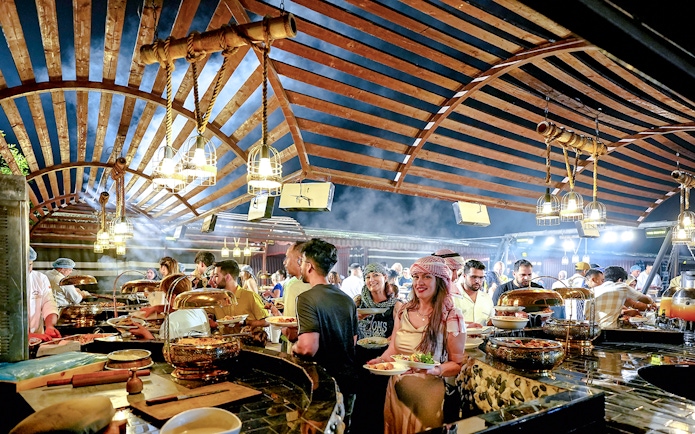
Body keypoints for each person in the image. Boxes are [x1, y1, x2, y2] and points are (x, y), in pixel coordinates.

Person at [369, 255, 466, 432]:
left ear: (440, 281)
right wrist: (381, 361)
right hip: (397, 391)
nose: (419, 282)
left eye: (427, 276)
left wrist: (435, 370)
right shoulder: (404, 310)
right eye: (416, 277)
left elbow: (457, 363)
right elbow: (393, 348)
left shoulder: (451, 315)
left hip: (428, 395)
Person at [291, 238, 359, 430]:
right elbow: (352, 341)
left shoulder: (306, 299)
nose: (301, 267)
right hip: (347, 382)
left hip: (323, 386)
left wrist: (294, 347)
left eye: (302, 262)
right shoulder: (347, 300)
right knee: (343, 427)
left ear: (310, 266)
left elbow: (308, 347)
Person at [351, 262, 404, 433]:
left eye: (375, 275)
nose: (371, 280)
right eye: (367, 276)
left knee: (381, 402)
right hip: (360, 359)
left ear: (385, 277)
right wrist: (355, 319)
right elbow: (348, 330)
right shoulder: (358, 302)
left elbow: (402, 334)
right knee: (361, 402)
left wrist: (391, 339)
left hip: (384, 361)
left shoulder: (396, 306)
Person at [131, 274, 210, 340]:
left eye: (166, 295)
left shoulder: (171, 321)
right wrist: (155, 308)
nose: (166, 298)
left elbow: (162, 349)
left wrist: (145, 333)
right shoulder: (201, 311)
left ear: (173, 296)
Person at [585, 266, 656, 329]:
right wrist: (652, 303)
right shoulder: (621, 287)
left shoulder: (592, 290)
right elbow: (644, 299)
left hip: (590, 330)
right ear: (620, 280)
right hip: (608, 331)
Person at [211, 260, 271, 328]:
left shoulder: (250, 296)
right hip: (222, 338)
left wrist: (246, 323)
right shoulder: (216, 299)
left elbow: (266, 321)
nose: (213, 280)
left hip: (248, 338)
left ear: (227, 277)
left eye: (216, 276)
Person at [27, 247, 61, 342]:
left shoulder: (40, 278)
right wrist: (25, 336)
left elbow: (49, 304)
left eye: (30, 264)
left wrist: (50, 326)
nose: (27, 269)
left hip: (38, 340)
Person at [459, 259, 495, 328]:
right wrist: (466, 325)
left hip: (482, 338)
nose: (477, 281)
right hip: (459, 338)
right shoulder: (452, 296)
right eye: (473, 277)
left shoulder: (487, 298)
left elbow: (490, 322)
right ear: (464, 276)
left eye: (481, 278)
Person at [281, 241, 311, 319]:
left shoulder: (294, 287)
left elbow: (290, 324)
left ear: (299, 260)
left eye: (287, 257)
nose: (284, 262)